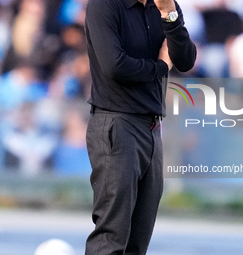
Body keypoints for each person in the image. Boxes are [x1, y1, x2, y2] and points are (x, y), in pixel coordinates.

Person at [84, 0, 196, 254]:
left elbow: (186, 59)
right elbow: (115, 66)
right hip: (116, 124)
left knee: (139, 240)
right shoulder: (105, 5)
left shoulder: (165, 6)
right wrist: (160, 67)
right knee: (111, 236)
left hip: (152, 126)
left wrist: (169, 15)